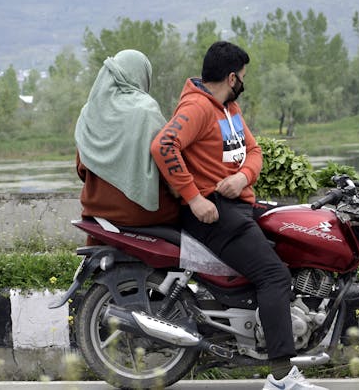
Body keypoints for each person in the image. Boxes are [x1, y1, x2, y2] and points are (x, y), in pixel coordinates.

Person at [150, 41, 327, 390]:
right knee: (274, 277)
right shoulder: (198, 107)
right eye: (243, 77)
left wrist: (243, 176)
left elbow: (255, 151)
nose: (244, 82)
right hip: (213, 213)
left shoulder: (229, 108)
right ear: (232, 77)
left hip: (239, 203)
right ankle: (280, 378)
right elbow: (163, 145)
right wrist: (195, 198)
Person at [74, 49, 179, 230]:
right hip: (142, 214)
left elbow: (81, 169)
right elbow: (165, 158)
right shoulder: (146, 110)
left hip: (95, 210)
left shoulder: (89, 111)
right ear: (143, 75)